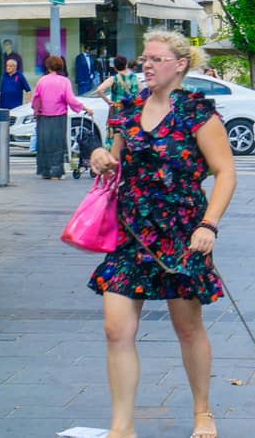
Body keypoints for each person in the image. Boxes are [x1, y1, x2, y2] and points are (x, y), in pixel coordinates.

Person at [87, 30, 236, 438]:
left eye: (155, 58)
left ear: (180, 64)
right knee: (115, 329)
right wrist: (101, 157)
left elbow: (225, 173)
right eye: (143, 59)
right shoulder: (127, 109)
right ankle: (122, 426)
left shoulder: (198, 114)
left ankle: (202, 412)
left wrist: (209, 225)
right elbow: (114, 162)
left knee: (187, 328)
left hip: (181, 236)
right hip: (130, 232)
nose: (146, 66)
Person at [32, 55, 85, 179]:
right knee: (57, 144)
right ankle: (56, 172)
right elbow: (70, 99)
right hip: (59, 116)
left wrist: (37, 109)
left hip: (43, 116)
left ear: (47, 66)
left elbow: (35, 98)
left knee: (44, 144)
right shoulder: (64, 81)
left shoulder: (42, 80)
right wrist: (83, 107)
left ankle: (45, 172)